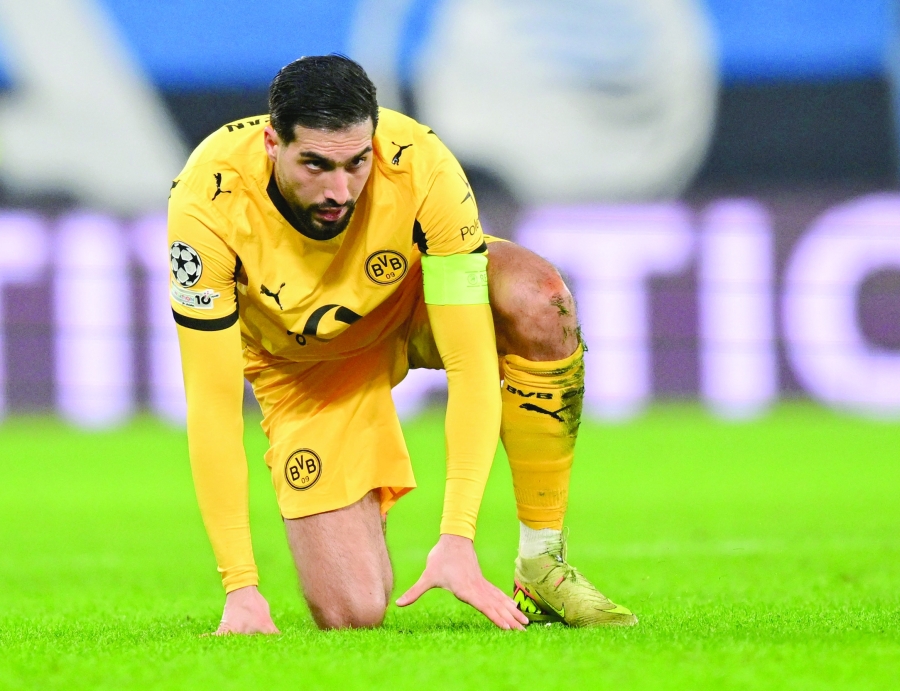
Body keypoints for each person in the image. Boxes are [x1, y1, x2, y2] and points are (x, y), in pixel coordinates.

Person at [168, 54, 635, 633]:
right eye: (315, 164)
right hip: (302, 368)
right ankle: (355, 485)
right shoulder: (206, 200)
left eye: (357, 163)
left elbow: (469, 365)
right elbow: (212, 407)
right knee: (351, 612)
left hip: (409, 307)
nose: (340, 189)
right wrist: (241, 588)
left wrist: (457, 537)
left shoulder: (422, 165)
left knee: (539, 300)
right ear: (272, 143)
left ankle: (541, 562)